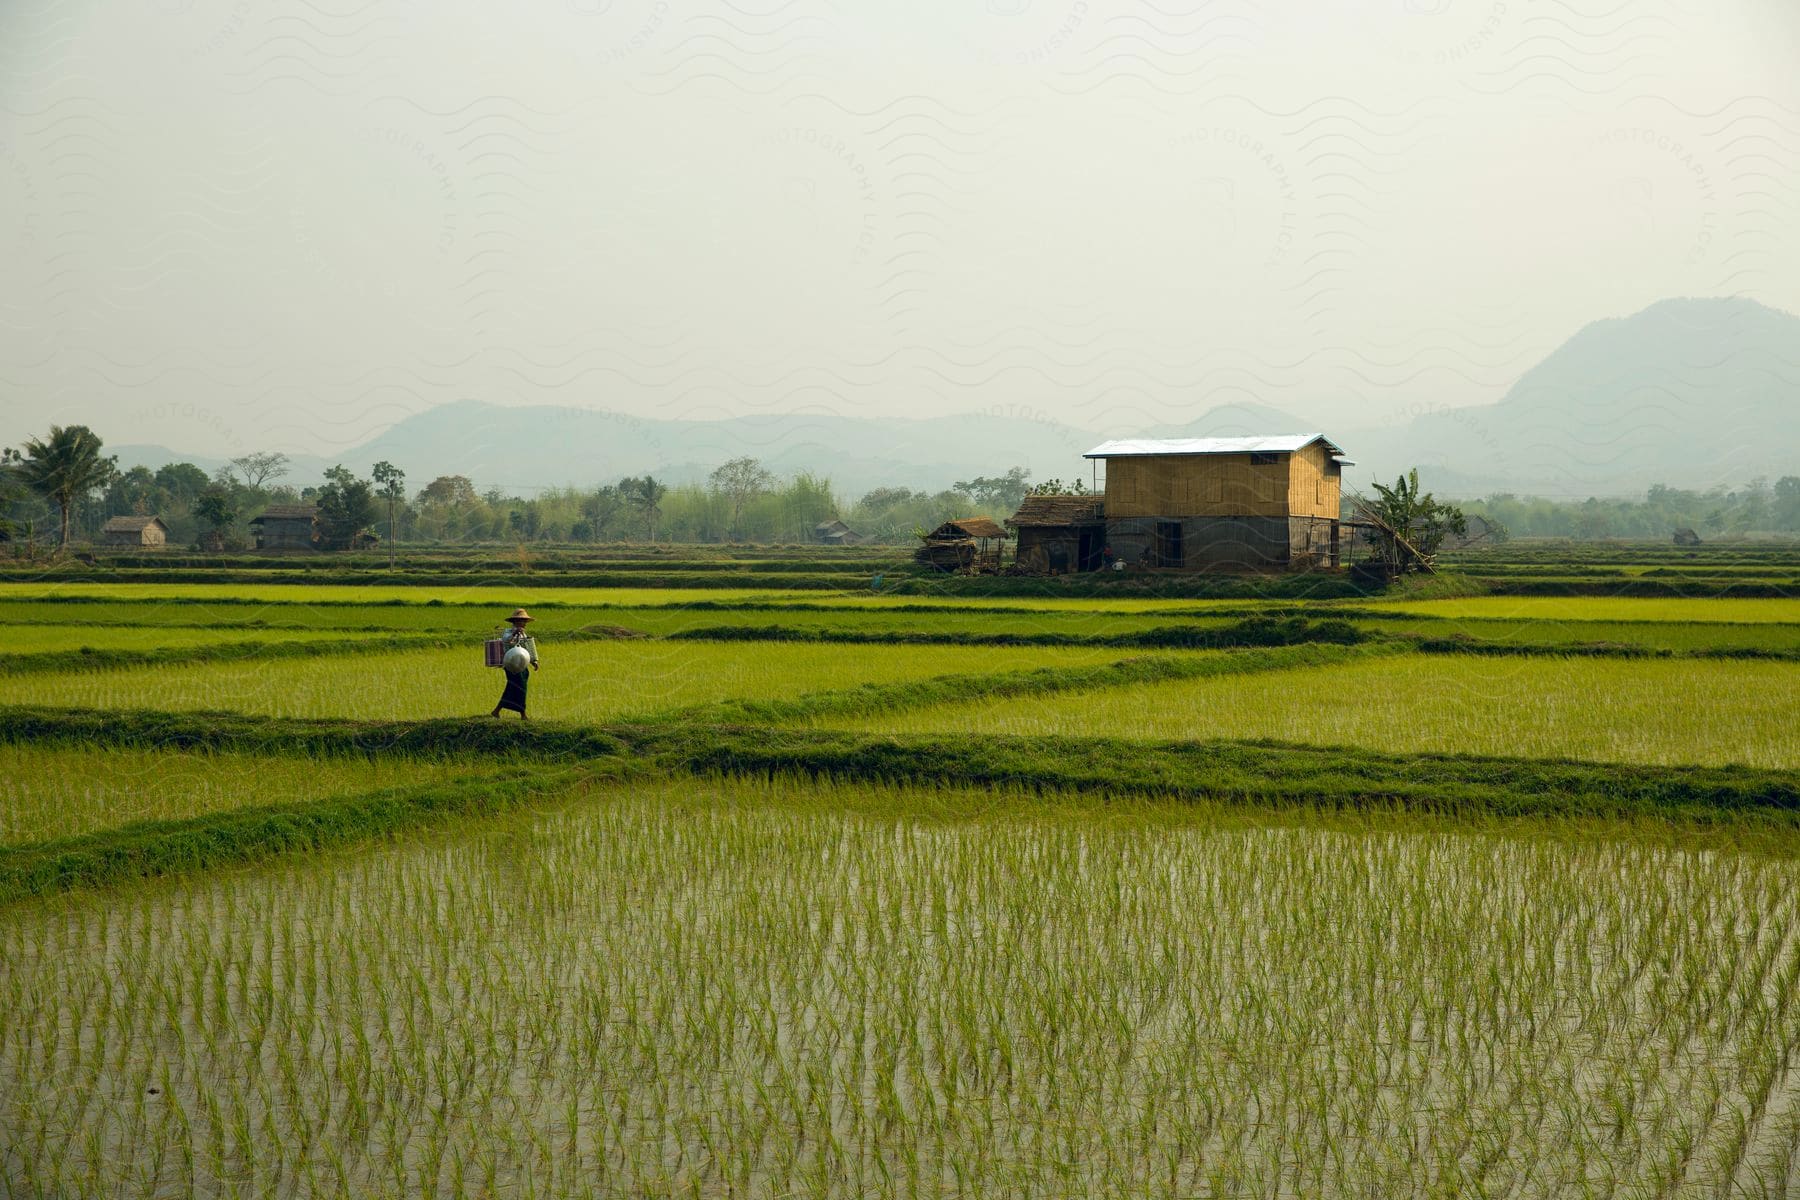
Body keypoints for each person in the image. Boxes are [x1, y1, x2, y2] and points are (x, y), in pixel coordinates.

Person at [489, 608, 539, 720]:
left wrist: (534, 661)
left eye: (525, 621)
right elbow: (507, 641)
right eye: (522, 621)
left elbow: (527, 649)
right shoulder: (508, 632)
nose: (524, 623)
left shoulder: (523, 635)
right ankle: (523, 714)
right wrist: (514, 633)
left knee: (517, 688)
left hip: (522, 665)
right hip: (511, 665)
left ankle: (497, 711)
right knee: (518, 687)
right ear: (515, 622)